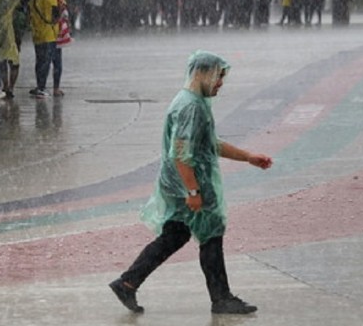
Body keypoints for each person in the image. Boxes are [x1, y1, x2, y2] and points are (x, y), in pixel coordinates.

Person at [109, 50, 273, 315]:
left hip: (179, 183)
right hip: (188, 182)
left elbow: (211, 144)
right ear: (201, 74)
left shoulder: (192, 102)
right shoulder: (191, 107)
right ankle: (221, 298)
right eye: (218, 77)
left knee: (175, 234)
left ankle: (128, 282)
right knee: (211, 234)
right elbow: (181, 154)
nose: (220, 84)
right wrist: (193, 190)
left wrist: (248, 157)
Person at [28, 0, 62, 98]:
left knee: (40, 62)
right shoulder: (52, 1)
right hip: (50, 36)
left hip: (37, 36)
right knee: (51, 63)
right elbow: (56, 17)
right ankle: (46, 88)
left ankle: (40, 86)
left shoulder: (32, 2)